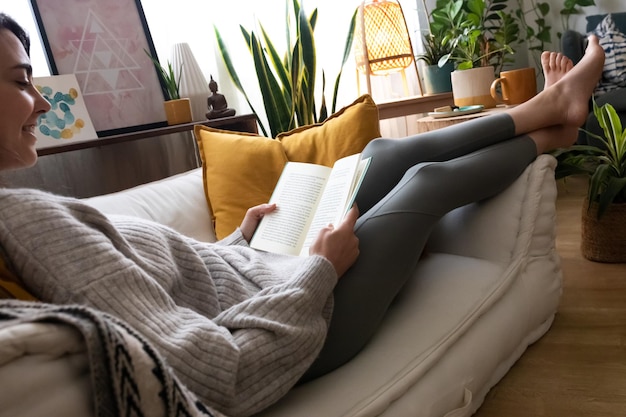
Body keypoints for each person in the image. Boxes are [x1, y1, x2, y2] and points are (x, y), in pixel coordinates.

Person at [0, 12, 605, 417]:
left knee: (378, 152)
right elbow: (216, 371)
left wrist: (239, 240)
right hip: (300, 319)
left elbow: (168, 294)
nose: (38, 101)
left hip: (265, 272)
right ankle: (555, 130)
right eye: (21, 80)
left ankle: (550, 110)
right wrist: (319, 269)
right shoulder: (24, 221)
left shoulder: (22, 217)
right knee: (426, 182)